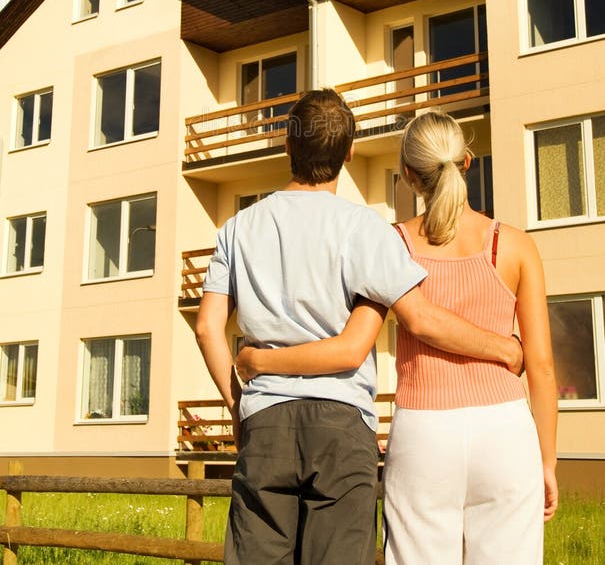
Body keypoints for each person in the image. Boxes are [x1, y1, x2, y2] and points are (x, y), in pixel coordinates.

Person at [196, 91, 523, 565]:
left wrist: (238, 405)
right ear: (350, 152)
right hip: (342, 423)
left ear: (287, 146)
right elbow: (421, 318)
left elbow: (208, 328)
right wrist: (505, 348)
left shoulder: (237, 228)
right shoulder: (365, 229)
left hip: (266, 418)